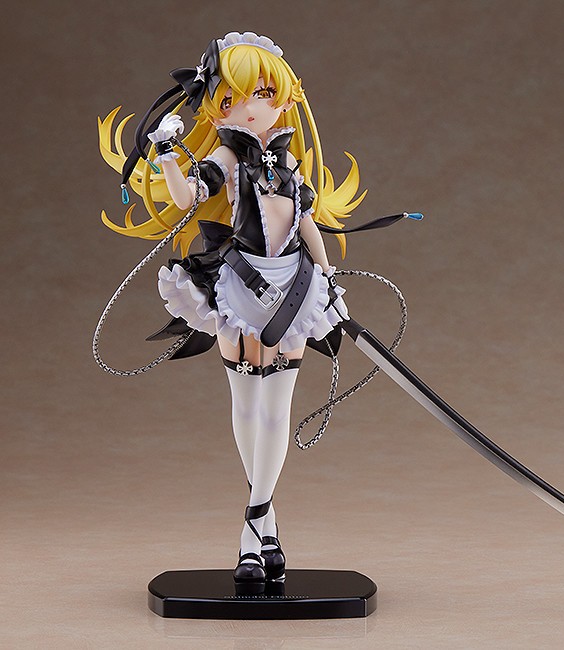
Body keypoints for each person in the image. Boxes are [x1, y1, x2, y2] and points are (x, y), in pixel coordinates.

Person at [98, 31, 366, 588]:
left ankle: (255, 528)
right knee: (247, 404)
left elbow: (308, 225)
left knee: (277, 408)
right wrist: (168, 155)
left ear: (285, 98)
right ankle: (265, 527)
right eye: (234, 96)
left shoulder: (289, 164)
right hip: (241, 288)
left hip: (293, 287)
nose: (249, 106)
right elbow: (188, 197)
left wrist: (330, 281)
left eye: (263, 93)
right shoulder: (226, 156)